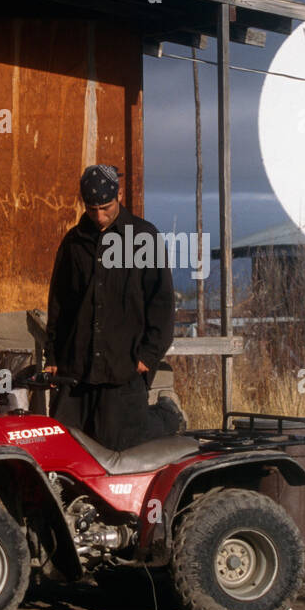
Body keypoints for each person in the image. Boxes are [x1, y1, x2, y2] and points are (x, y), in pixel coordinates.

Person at [45, 164, 175, 451]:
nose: (99, 216)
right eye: (92, 209)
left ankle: (166, 418)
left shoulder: (144, 238)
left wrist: (148, 357)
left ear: (119, 197)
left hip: (123, 371)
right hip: (74, 371)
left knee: (118, 455)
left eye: (106, 207)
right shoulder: (73, 243)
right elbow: (59, 302)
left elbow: (162, 304)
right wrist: (52, 355)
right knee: (64, 452)